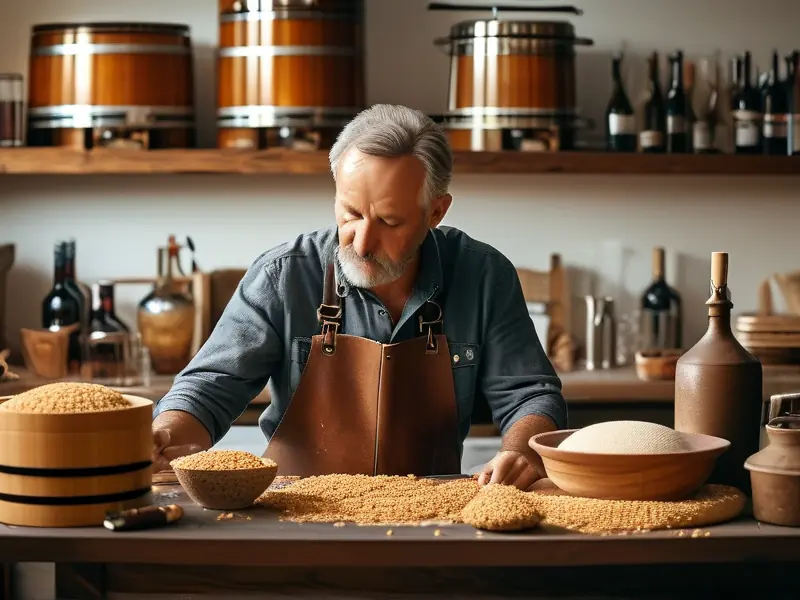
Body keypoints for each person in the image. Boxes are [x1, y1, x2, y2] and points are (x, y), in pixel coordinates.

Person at [151, 104, 567, 490]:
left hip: (432, 516)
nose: (363, 243)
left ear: (436, 213)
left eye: (388, 221)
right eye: (350, 214)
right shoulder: (284, 274)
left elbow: (530, 394)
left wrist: (518, 452)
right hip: (297, 512)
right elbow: (209, 388)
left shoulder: (483, 275)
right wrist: (166, 435)